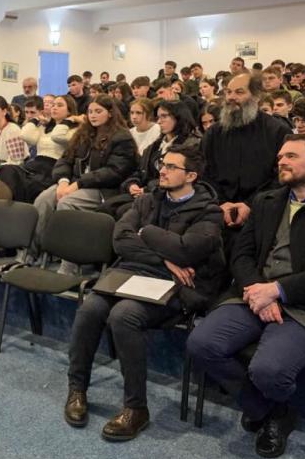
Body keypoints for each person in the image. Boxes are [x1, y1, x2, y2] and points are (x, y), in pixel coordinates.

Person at [187, 134, 305, 459]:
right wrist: (259, 290)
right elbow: (241, 255)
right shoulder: (267, 201)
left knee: (269, 370)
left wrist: (276, 291)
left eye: (291, 156)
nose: (281, 161)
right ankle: (272, 411)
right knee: (200, 344)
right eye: (280, 157)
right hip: (257, 293)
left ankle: (268, 407)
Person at [64, 145, 225, 438]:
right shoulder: (149, 200)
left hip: (178, 286)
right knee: (90, 308)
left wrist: (147, 234)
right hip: (136, 272)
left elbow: (187, 251)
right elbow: (120, 239)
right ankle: (77, 389)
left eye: (172, 167)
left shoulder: (209, 211)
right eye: (163, 163)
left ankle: (136, 408)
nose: (162, 170)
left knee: (124, 315)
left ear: (191, 175)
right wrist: (164, 258)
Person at [31, 95, 137, 267]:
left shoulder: (122, 137)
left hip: (103, 189)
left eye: (98, 111)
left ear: (110, 113)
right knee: (43, 200)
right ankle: (35, 254)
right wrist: (63, 181)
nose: (93, 115)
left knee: (67, 203)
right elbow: (65, 160)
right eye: (90, 111)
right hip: (74, 183)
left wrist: (78, 184)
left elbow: (114, 172)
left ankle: (69, 265)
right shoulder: (83, 133)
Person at [202, 73, 293, 235]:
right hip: (218, 211)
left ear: (256, 97)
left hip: (263, 212)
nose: (231, 97)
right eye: (228, 92)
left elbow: (281, 175)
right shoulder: (214, 132)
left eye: (239, 92)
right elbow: (205, 171)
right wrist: (221, 203)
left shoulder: (277, 131)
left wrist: (251, 204)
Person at [0, 95, 78, 203]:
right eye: (53, 105)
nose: (54, 108)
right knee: (6, 170)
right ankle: (4, 209)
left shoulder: (74, 130)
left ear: (69, 111)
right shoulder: (44, 127)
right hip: (36, 165)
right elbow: (25, 136)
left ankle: (18, 209)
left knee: (31, 185)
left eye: (59, 105)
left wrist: (69, 120)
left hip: (53, 168)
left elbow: (57, 136)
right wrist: (35, 119)